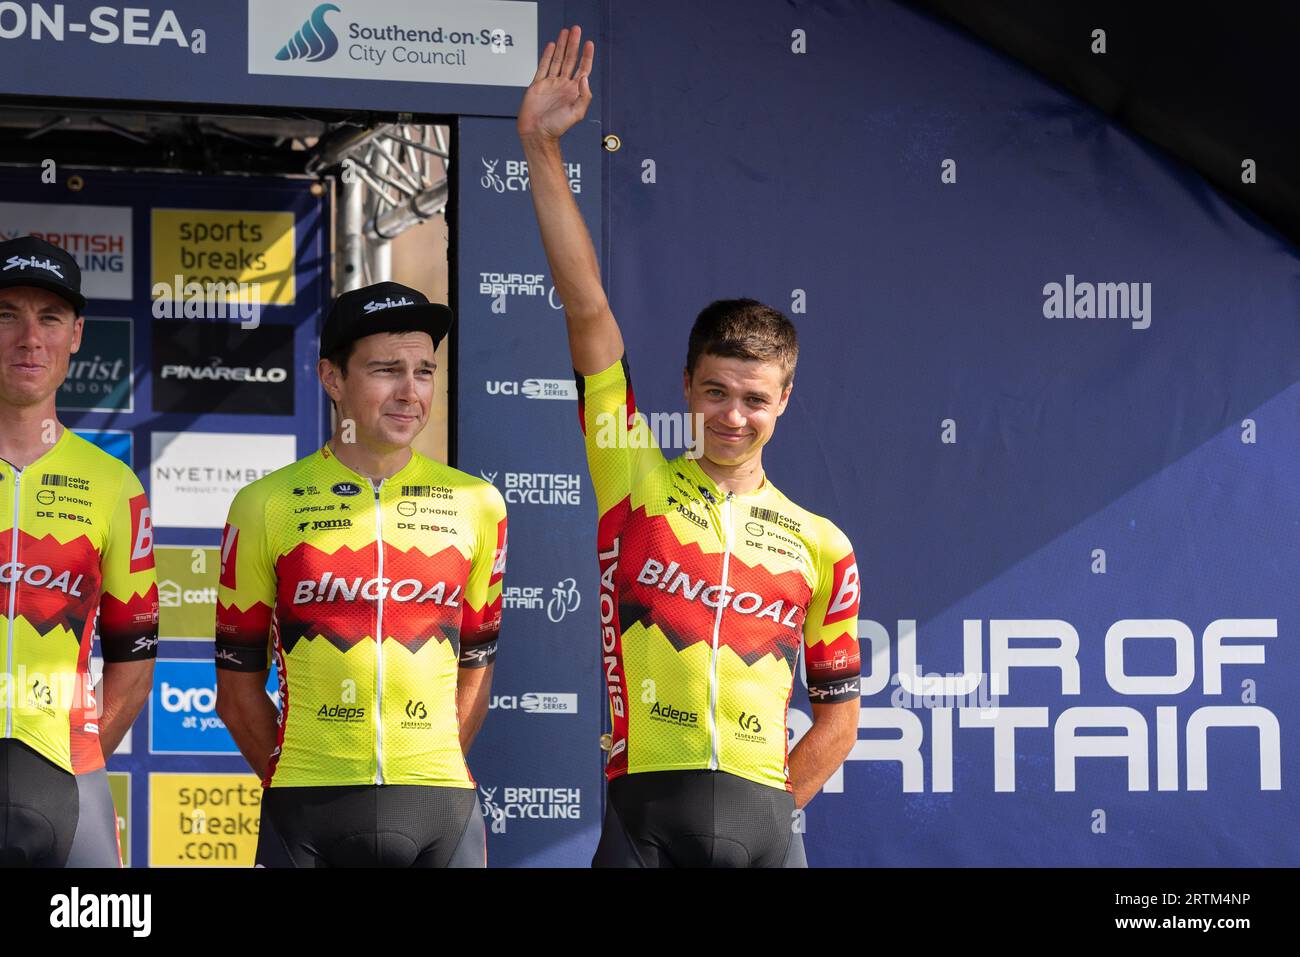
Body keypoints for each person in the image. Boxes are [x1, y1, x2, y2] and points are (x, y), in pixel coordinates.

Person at [518, 27, 863, 867]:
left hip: (763, 829)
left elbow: (839, 716)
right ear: (686, 386)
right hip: (644, 815)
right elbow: (589, 312)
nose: (732, 415)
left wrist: (777, 811)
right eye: (715, 391)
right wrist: (539, 147)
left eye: (753, 398)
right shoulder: (630, 475)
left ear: (785, 399)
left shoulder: (823, 544)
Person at [215, 282, 507, 867]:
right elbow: (237, 689)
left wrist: (430, 763)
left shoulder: (478, 504)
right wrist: (300, 772)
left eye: (424, 371)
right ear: (332, 378)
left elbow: (476, 665)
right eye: (386, 369)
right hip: (308, 811)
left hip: (440, 811)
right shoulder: (265, 504)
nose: (410, 391)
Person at [0, 235, 157, 867]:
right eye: (6, 315)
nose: (29, 338)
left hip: (67, 781)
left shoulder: (113, 483)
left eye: (50, 318)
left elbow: (134, 656)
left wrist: (77, 755)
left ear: (77, 336)